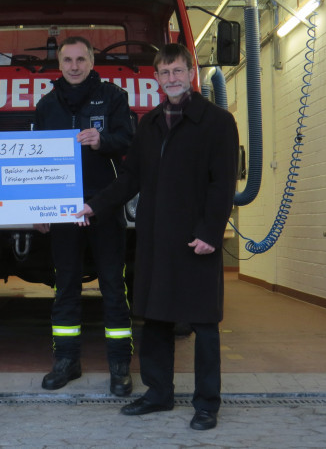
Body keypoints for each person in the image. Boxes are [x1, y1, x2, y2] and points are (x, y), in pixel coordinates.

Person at [75, 43, 239, 430]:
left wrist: (211, 232)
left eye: (178, 71)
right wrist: (95, 205)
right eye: (164, 73)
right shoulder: (148, 124)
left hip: (197, 237)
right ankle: (159, 393)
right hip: (155, 237)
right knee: (156, 318)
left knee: (203, 323)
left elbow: (223, 183)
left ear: (190, 72)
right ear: (156, 78)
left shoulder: (217, 122)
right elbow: (131, 178)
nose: (172, 79)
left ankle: (206, 403)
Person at [33, 36, 135, 396]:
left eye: (81, 59)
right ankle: (66, 361)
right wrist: (38, 208)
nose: (74, 66)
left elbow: (129, 139)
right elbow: (36, 162)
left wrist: (102, 139)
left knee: (112, 285)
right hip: (61, 209)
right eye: (68, 60)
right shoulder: (46, 105)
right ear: (59, 64)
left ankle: (120, 365)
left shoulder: (113, 97)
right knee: (66, 285)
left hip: (104, 205)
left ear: (92, 62)